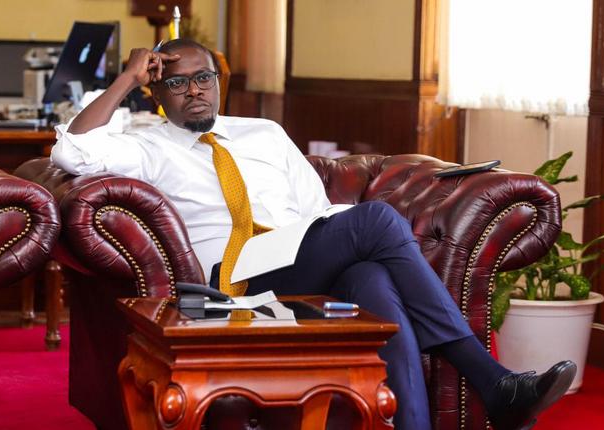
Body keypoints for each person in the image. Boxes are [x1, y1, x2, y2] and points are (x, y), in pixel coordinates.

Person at [51, 39, 576, 430]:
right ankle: (490, 380)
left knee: (371, 276)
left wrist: (336, 245)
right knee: (374, 221)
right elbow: (70, 152)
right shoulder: (146, 145)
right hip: (230, 277)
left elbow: (317, 211)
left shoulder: (264, 134)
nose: (194, 91)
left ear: (218, 81)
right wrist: (125, 77)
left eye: (203, 78)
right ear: (157, 92)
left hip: (294, 258)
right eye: (177, 82)